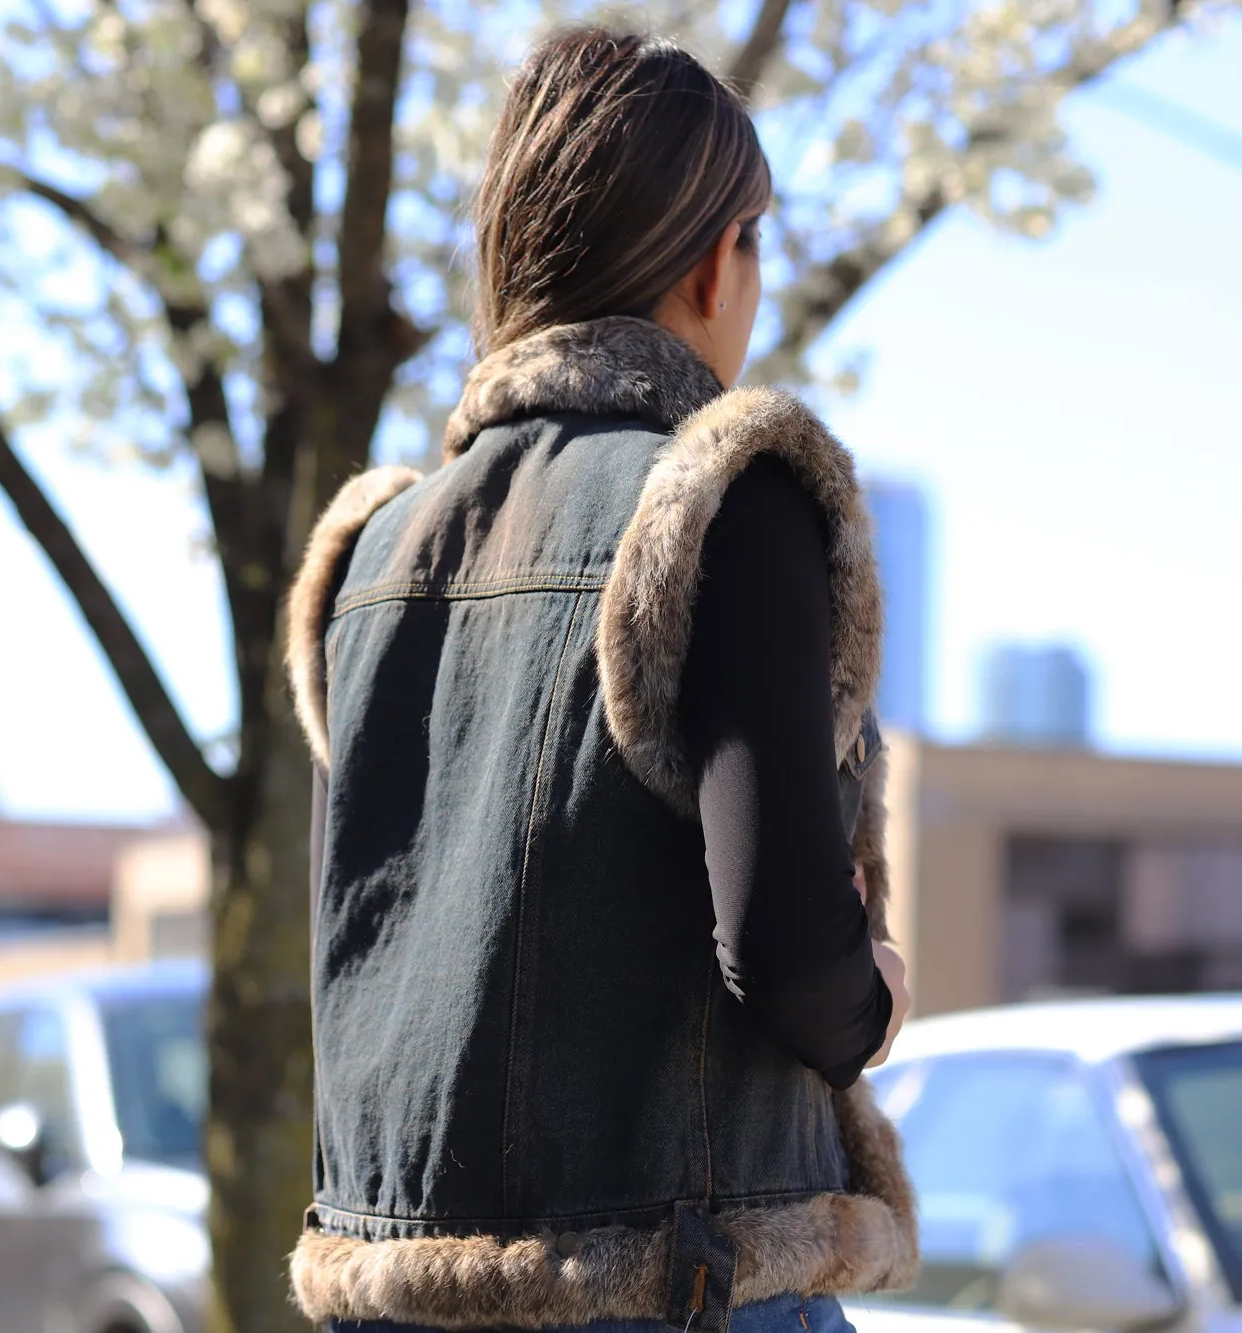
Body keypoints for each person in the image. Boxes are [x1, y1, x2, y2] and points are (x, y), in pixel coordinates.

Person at [282, 26, 919, 1333]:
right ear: (710, 260)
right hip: (683, 1284)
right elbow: (795, 961)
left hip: (394, 1297)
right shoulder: (723, 498)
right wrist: (878, 990)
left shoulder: (371, 553)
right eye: (756, 242)